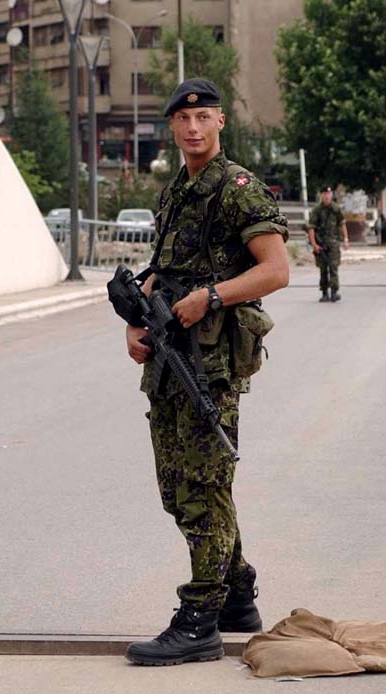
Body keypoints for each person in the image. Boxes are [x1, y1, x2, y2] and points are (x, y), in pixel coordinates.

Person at [123, 78, 290, 666]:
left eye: (205, 118)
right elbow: (160, 270)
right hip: (170, 356)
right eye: (183, 121)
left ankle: (201, 618)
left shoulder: (237, 188)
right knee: (180, 488)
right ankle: (237, 594)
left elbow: (276, 270)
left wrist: (212, 297)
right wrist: (136, 320)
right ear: (173, 127)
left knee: (202, 487)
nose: (193, 128)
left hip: (210, 363)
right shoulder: (176, 190)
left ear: (221, 123)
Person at [307, 185, 349, 302]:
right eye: (324, 194)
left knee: (334, 267)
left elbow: (342, 223)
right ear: (321, 195)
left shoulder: (336, 209)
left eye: (328, 194)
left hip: (334, 243)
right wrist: (314, 244)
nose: (326, 196)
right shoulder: (316, 210)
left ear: (331, 195)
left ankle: (334, 292)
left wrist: (346, 239)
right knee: (323, 269)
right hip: (321, 244)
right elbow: (311, 228)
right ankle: (325, 293)